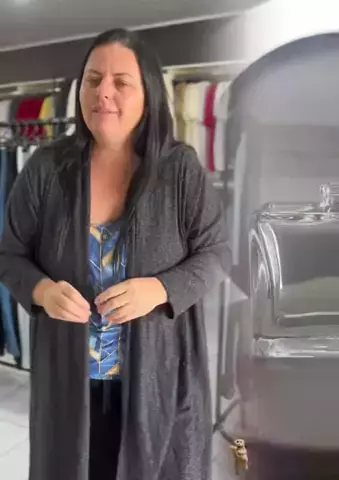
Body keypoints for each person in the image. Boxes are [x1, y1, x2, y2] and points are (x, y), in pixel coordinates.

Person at [0, 28, 231, 480]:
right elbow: (9, 254)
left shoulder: (179, 169)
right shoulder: (46, 169)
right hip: (70, 386)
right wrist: (42, 291)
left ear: (148, 94)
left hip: (157, 383)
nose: (103, 92)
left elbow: (217, 252)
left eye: (121, 82)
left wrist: (161, 288)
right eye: (92, 80)